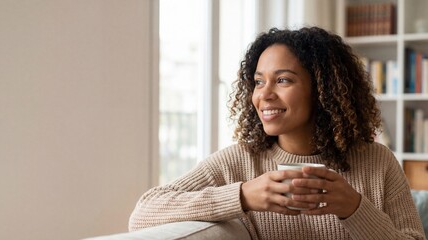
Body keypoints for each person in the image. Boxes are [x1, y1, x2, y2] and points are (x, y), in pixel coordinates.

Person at [129, 27, 426, 239]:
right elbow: (143, 213)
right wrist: (243, 195)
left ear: (323, 91)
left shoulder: (377, 161)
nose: (264, 95)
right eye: (259, 82)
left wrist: (354, 207)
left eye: (283, 80)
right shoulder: (240, 161)